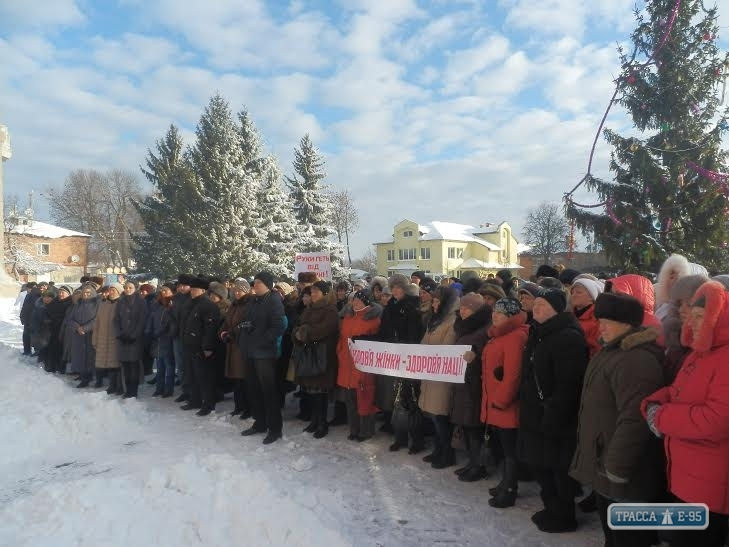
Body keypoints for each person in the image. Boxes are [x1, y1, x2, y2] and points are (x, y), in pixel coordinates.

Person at [571, 293, 666, 547]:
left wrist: (616, 467)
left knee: (629, 538)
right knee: (613, 537)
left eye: (607, 321)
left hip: (624, 474)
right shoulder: (611, 350)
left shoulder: (636, 359)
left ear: (628, 324)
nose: (601, 326)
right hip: (607, 468)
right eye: (600, 320)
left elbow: (635, 419)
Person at [642, 280, 729, 547]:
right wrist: (652, 402)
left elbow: (716, 421)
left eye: (701, 316)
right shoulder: (701, 353)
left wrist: (662, 417)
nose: (692, 322)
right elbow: (678, 391)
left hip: (710, 485)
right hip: (686, 475)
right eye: (692, 315)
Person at [518, 288, 589, 533]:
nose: (536, 308)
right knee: (542, 466)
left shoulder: (567, 337)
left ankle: (564, 516)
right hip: (536, 415)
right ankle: (551, 508)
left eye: (543, 305)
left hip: (555, 418)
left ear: (557, 309)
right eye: (535, 304)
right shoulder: (539, 333)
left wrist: (553, 417)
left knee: (558, 468)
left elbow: (569, 384)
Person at [481, 297, 529, 507]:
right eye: (494, 312)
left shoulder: (515, 337)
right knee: (504, 446)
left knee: (510, 450)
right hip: (496, 402)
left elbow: (513, 375)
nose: (494, 316)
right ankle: (505, 482)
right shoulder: (499, 335)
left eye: (499, 314)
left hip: (505, 404)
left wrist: (501, 400)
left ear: (510, 316)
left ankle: (510, 488)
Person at [377, 274, 424, 451]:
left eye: (399, 287)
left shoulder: (412, 305)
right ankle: (400, 436)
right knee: (396, 400)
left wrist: (405, 349)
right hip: (394, 357)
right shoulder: (390, 306)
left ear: (404, 288)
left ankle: (417, 439)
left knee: (411, 399)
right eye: (393, 287)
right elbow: (383, 332)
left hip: (408, 358)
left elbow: (414, 334)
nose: (395, 290)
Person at [240, 271, 286, 444]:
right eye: (254, 282)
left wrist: (261, 340)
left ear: (268, 284)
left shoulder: (273, 300)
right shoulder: (253, 300)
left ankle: (275, 429)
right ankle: (260, 423)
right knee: (254, 390)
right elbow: (248, 320)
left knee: (268, 391)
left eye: (258, 282)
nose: (255, 285)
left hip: (265, 353)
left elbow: (278, 327)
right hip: (250, 351)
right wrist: (244, 329)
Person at [450, 292, 491, 482]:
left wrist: (477, 357)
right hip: (463, 381)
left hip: (474, 383)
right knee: (466, 424)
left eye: (467, 308)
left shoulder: (484, 330)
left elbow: (487, 355)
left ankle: (479, 465)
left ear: (476, 310)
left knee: (474, 426)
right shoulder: (464, 327)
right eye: (461, 308)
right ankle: (472, 462)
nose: (462, 311)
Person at [292, 281, 339, 439]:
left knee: (320, 392)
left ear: (325, 293)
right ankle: (314, 420)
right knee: (310, 390)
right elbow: (299, 325)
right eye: (312, 292)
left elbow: (325, 329)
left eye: (316, 291)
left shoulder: (330, 309)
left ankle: (322, 423)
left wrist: (305, 333)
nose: (313, 294)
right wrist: (297, 333)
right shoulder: (309, 309)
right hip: (308, 354)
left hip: (322, 355)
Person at [419, 286, 460, 468]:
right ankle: (438, 449)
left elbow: (447, 347)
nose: (433, 305)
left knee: (441, 418)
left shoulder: (452, 321)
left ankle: (447, 453)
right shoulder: (435, 320)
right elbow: (423, 343)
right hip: (431, 375)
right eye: (433, 301)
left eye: (437, 301)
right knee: (435, 417)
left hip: (442, 378)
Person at [336, 289, 382, 442]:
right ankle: (354, 429)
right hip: (346, 364)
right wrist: (340, 352)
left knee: (365, 399)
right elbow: (342, 339)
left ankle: (366, 431)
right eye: (354, 300)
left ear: (366, 302)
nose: (355, 303)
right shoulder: (348, 317)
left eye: (359, 300)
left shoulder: (374, 319)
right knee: (350, 401)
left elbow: (375, 342)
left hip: (363, 366)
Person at [180, 276, 220, 415]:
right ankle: (195, 400)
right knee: (192, 375)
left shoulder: (208, 305)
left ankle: (208, 405)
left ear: (202, 290)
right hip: (189, 345)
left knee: (204, 378)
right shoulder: (190, 303)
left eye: (195, 289)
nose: (192, 291)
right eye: (192, 288)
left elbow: (210, 329)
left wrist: (207, 347)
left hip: (201, 347)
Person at [220, 279, 253, 417]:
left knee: (244, 378)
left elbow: (248, 324)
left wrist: (233, 333)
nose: (237, 293)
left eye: (240, 290)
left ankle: (247, 408)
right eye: (235, 290)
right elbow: (227, 322)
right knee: (236, 379)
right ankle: (238, 406)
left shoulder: (249, 304)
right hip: (232, 346)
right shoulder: (234, 304)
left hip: (242, 346)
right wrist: (223, 333)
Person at [114, 280, 148, 399]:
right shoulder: (120, 301)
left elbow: (142, 321)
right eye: (126, 287)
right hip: (123, 338)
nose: (127, 289)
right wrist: (120, 334)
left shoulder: (141, 301)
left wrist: (134, 335)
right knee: (125, 365)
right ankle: (127, 389)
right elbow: (116, 319)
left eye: (130, 287)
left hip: (135, 339)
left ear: (135, 288)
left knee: (134, 365)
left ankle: (134, 390)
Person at [92, 283, 123, 395]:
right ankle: (112, 385)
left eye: (114, 290)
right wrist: (95, 338)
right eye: (110, 290)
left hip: (116, 339)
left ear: (119, 291)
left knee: (117, 364)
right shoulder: (103, 304)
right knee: (109, 364)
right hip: (103, 338)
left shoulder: (121, 304)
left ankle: (120, 386)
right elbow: (97, 323)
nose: (111, 292)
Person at [68, 284, 100, 388]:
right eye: (84, 293)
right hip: (78, 335)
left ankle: (89, 376)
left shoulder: (96, 304)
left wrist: (85, 328)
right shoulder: (78, 304)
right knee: (80, 356)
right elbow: (71, 318)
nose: (85, 295)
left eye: (88, 293)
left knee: (90, 357)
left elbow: (97, 319)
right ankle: (83, 374)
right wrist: (77, 327)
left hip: (91, 334)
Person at [148, 283, 176, 397]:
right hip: (157, 339)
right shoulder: (157, 304)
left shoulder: (172, 305)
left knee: (169, 366)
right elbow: (151, 319)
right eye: (162, 290)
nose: (163, 292)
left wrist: (163, 331)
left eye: (166, 290)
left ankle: (168, 390)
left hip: (167, 339)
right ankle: (159, 388)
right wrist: (150, 331)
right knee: (160, 366)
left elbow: (172, 322)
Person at [570, 277, 605, 358]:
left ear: (591, 297)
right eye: (572, 292)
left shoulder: (597, 318)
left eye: (579, 292)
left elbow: (598, 348)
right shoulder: (570, 316)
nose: (573, 295)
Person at [172, 274, 193, 403]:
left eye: (185, 285)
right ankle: (185, 390)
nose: (182, 288)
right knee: (180, 365)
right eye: (180, 285)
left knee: (189, 365)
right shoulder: (177, 298)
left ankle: (192, 391)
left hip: (189, 336)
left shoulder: (193, 298)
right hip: (177, 335)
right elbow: (173, 316)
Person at [19, 282, 40, 356]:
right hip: (28, 319)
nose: (27, 290)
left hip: (31, 320)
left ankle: (34, 351)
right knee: (28, 336)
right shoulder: (29, 295)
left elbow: (30, 308)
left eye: (27, 289)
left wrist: (22, 316)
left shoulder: (35, 295)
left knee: (32, 336)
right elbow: (25, 307)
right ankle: (28, 351)